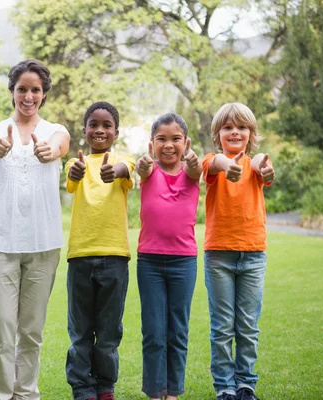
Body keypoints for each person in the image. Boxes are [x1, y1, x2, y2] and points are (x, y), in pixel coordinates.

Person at [0, 59, 71, 400]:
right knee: (2, 327)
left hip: (43, 244)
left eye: (35, 90)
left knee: (31, 331)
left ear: (43, 95)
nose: (28, 96)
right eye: (22, 89)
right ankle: (0, 396)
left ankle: (27, 394)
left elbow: (61, 144)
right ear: (12, 91)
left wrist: (50, 151)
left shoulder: (55, 131)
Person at [202, 103, 275, 400]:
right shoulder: (211, 161)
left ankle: (246, 384)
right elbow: (215, 163)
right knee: (222, 327)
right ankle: (225, 387)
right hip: (219, 254)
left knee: (247, 326)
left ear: (251, 133)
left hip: (253, 254)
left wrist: (263, 167)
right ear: (218, 134)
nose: (235, 132)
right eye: (228, 127)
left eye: (242, 127)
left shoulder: (257, 161)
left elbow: (263, 169)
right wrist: (225, 164)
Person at [64, 101, 135, 400]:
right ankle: (82, 387)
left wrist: (115, 170)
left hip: (115, 256)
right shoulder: (74, 163)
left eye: (107, 125)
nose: (100, 129)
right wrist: (79, 171)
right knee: (80, 331)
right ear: (84, 130)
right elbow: (72, 180)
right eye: (94, 124)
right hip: (80, 256)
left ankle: (105, 386)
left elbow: (126, 169)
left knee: (108, 331)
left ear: (116, 132)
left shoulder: (124, 161)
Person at [135, 113, 202, 400]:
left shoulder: (192, 173)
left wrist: (195, 163)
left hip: (183, 262)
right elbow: (142, 169)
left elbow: (198, 170)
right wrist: (143, 164)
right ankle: (154, 391)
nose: (169, 145)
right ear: (152, 143)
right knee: (153, 332)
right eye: (161, 139)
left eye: (176, 139)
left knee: (177, 331)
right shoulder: (149, 172)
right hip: (149, 261)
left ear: (186, 143)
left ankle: (173, 391)